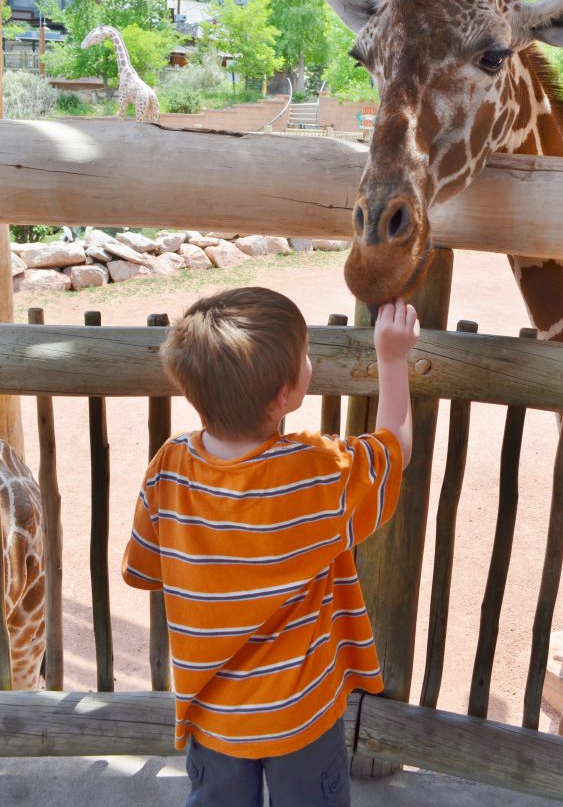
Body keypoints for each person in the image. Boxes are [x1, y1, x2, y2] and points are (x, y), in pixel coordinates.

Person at [122, 286, 419, 807]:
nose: (311, 359)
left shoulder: (168, 468)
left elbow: (147, 565)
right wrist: (391, 358)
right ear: (284, 396)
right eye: (305, 354)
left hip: (212, 715)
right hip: (302, 714)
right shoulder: (315, 471)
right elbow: (395, 446)